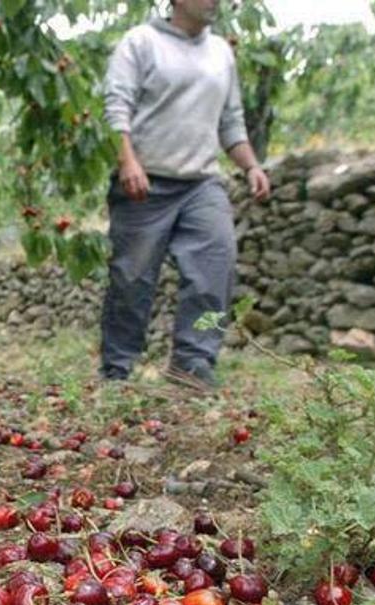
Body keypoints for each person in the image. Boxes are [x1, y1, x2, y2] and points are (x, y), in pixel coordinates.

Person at [100, 0, 271, 388]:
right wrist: (128, 162)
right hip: (145, 181)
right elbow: (116, 108)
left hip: (201, 183)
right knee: (132, 279)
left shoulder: (221, 52)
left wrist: (251, 166)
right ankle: (117, 368)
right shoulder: (140, 42)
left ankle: (192, 363)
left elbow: (230, 121)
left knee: (216, 266)